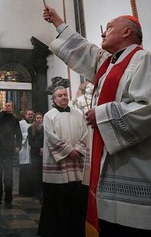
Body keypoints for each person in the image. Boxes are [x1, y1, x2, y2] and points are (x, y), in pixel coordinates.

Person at [42, 7, 151, 236]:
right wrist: (58, 22)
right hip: (112, 172)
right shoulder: (109, 65)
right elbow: (84, 49)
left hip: (141, 173)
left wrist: (100, 115)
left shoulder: (143, 60)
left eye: (109, 28)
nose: (102, 34)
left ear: (127, 31)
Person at [37, 86, 88, 237]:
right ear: (54, 99)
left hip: (76, 163)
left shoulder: (78, 114)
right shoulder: (49, 116)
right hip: (58, 164)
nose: (63, 97)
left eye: (65, 95)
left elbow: (86, 133)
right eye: (59, 95)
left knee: (75, 201)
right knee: (57, 202)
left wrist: (78, 149)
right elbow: (51, 137)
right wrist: (68, 151)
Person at [0, 92, 22, 209]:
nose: (7, 107)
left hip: (9, 149)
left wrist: (18, 145)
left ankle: (8, 199)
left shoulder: (15, 120)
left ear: (12, 108)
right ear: (4, 107)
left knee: (8, 175)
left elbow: (19, 134)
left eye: (9, 106)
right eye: (6, 105)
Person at [27, 112, 44, 201]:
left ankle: (42, 192)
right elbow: (31, 142)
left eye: (40, 118)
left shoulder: (45, 128)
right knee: (35, 173)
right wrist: (39, 149)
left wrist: (43, 148)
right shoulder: (31, 129)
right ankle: (36, 192)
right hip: (35, 153)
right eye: (37, 118)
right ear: (35, 119)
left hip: (43, 153)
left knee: (42, 173)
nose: (39, 119)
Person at [18, 108, 35, 196]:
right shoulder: (21, 123)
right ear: (25, 115)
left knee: (32, 171)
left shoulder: (35, 124)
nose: (30, 116)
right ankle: (23, 192)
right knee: (24, 171)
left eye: (32, 114)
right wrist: (28, 134)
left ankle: (32, 191)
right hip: (24, 149)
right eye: (29, 114)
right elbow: (18, 134)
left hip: (33, 150)